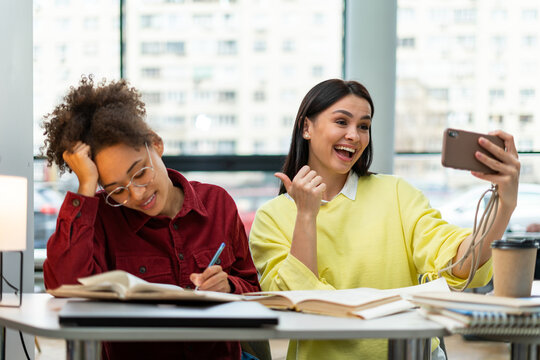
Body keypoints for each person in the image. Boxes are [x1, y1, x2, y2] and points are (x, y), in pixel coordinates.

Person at [248, 79, 520, 360]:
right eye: (342, 122)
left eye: (364, 126)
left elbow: (462, 265)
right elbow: (299, 305)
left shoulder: (397, 193)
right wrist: (306, 215)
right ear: (307, 127)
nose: (354, 135)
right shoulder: (272, 217)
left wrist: (504, 206)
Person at [41, 76, 261, 360]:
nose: (136, 194)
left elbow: (254, 291)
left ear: (156, 145)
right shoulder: (102, 216)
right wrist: (85, 188)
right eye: (117, 189)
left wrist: (230, 286)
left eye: (140, 172)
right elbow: (63, 287)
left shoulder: (217, 204)